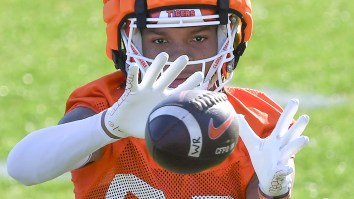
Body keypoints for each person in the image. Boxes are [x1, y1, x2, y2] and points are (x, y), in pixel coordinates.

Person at [7, 0, 310, 198]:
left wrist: (275, 191)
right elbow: (24, 168)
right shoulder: (105, 105)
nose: (181, 55)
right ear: (129, 43)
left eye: (199, 38)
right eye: (160, 40)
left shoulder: (255, 122)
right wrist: (108, 126)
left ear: (230, 38)